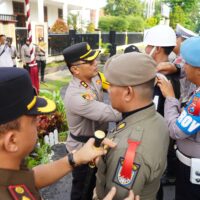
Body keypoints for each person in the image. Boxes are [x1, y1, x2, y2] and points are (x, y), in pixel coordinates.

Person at [0, 67, 137, 200]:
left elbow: (31, 178)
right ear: (12, 141)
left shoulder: (9, 164)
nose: (37, 124)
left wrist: (75, 158)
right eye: (33, 120)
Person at [96, 52, 169, 200]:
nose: (108, 90)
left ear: (128, 92)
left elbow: (117, 195)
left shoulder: (128, 151)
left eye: (110, 85)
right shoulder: (158, 119)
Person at [63, 42, 122, 200]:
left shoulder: (94, 77)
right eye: (90, 62)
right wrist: (133, 105)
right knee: (82, 189)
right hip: (81, 148)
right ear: (75, 69)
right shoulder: (76, 96)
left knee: (97, 182)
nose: (96, 63)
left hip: (96, 142)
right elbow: (110, 114)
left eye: (95, 59)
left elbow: (110, 86)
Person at [157, 36, 200, 200]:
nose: (184, 65)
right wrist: (175, 68)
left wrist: (170, 97)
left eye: (187, 63)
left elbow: (175, 131)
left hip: (192, 173)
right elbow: (183, 69)